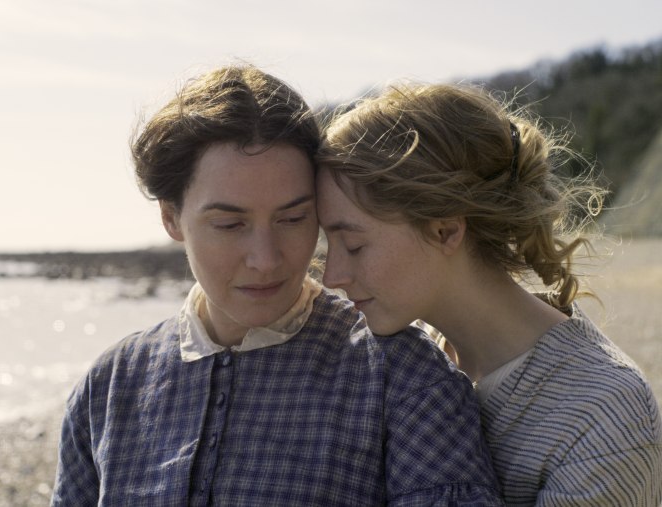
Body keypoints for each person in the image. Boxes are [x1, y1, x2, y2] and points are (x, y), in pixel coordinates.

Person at [50, 65, 504, 505]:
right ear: (171, 217)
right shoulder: (110, 387)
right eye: (229, 224)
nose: (266, 260)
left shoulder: (403, 378)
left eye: (293, 218)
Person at [316, 82, 662, 506]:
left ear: (445, 230)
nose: (331, 275)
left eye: (353, 245)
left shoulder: (603, 416)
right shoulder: (407, 357)